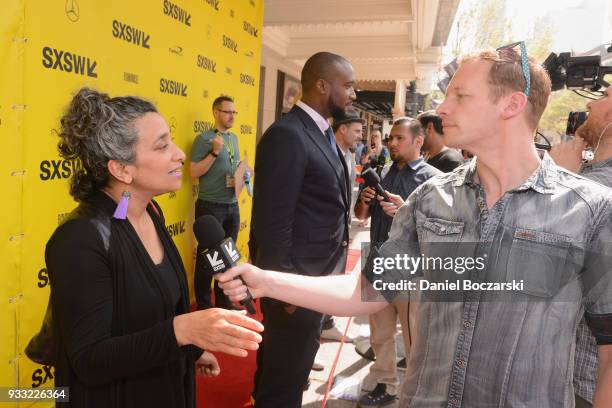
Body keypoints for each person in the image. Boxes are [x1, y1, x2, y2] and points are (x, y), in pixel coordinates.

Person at [219, 46, 612, 407]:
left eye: (461, 95)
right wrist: (268, 281)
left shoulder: (591, 211)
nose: (442, 106)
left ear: (511, 104)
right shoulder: (429, 200)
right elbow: (368, 291)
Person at [47, 88, 263, 408]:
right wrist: (182, 331)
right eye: (162, 145)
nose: (179, 154)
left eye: (171, 141)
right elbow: (90, 361)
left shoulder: (149, 212)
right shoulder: (80, 239)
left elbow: (151, 320)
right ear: (121, 169)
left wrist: (190, 348)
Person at [248, 51, 355, 407]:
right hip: (294, 287)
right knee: (282, 382)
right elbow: (272, 220)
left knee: (289, 371)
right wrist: (282, 290)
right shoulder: (288, 135)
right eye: (348, 85)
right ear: (322, 85)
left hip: (317, 280)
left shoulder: (321, 132)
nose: (353, 94)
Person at [354, 118, 441, 406]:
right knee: (379, 333)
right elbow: (362, 217)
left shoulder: (433, 179)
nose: (392, 143)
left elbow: (440, 228)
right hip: (377, 260)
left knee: (414, 337)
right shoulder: (384, 172)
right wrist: (365, 201)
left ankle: (413, 393)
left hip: (410, 266)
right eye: (391, 138)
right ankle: (386, 385)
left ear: (418, 141)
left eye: (399, 138)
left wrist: (406, 211)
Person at [550, 86, 612, 408]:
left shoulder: (595, 190)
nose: (590, 102)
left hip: (583, 384)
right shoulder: (586, 179)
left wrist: (558, 178)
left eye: (604, 96)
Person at [190, 95, 249, 310]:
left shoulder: (233, 139)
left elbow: (233, 167)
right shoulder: (203, 139)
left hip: (232, 205)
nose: (232, 116)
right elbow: (193, 171)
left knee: (226, 259)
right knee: (208, 261)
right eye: (228, 112)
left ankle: (224, 303)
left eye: (234, 112)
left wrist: (242, 175)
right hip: (210, 206)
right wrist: (214, 152)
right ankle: (205, 308)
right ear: (216, 113)